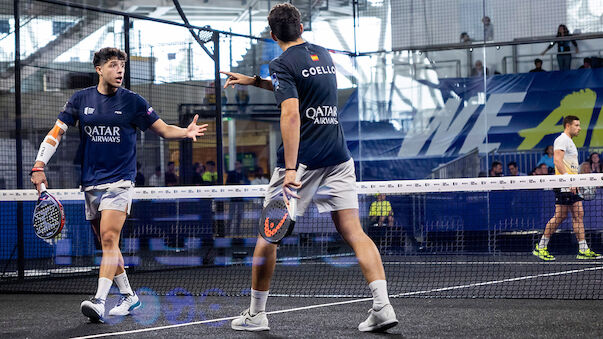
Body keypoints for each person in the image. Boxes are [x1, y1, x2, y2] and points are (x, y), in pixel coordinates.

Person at [221, 3, 397, 333]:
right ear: (301, 29)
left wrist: (290, 170)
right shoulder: (324, 56)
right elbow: (299, 86)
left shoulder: (281, 62)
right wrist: (256, 81)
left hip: (302, 163)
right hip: (339, 157)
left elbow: (290, 112)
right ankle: (382, 306)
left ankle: (256, 314)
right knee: (354, 231)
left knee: (268, 237)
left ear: (273, 35)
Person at [29, 47, 208, 323]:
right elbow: (56, 134)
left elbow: (161, 129)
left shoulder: (133, 102)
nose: (120, 70)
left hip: (120, 182)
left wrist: (185, 131)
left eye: (122, 65)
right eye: (113, 65)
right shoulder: (80, 99)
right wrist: (39, 165)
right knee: (107, 246)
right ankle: (129, 296)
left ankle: (99, 301)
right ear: (99, 69)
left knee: (111, 239)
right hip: (90, 185)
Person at [533, 115, 601, 261]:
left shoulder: (569, 142)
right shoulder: (562, 140)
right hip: (565, 184)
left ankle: (583, 249)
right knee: (563, 216)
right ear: (568, 125)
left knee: (575, 215)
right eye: (576, 125)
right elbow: (557, 160)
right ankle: (541, 247)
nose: (579, 128)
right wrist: (568, 180)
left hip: (571, 183)